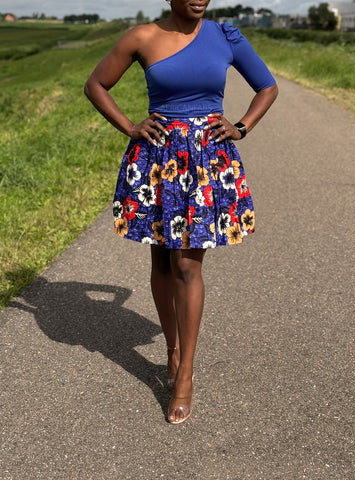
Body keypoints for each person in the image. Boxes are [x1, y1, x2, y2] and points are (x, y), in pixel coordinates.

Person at [84, 0, 278, 424]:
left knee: (187, 264)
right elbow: (96, 85)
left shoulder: (225, 35)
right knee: (161, 258)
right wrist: (130, 126)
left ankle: (185, 375)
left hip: (207, 161)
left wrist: (241, 126)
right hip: (156, 159)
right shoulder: (142, 37)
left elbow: (267, 86)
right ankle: (171, 348)